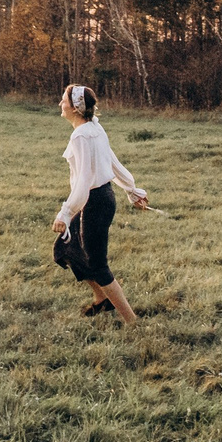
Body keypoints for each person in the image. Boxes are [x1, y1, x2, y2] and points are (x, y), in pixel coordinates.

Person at [51, 84, 149, 321]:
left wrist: (65, 213)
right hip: (99, 198)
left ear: (75, 108)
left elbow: (84, 180)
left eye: (64, 100)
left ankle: (132, 321)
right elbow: (113, 162)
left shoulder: (82, 135)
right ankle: (102, 299)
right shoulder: (95, 127)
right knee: (65, 249)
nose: (60, 104)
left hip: (94, 201)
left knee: (97, 265)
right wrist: (132, 190)